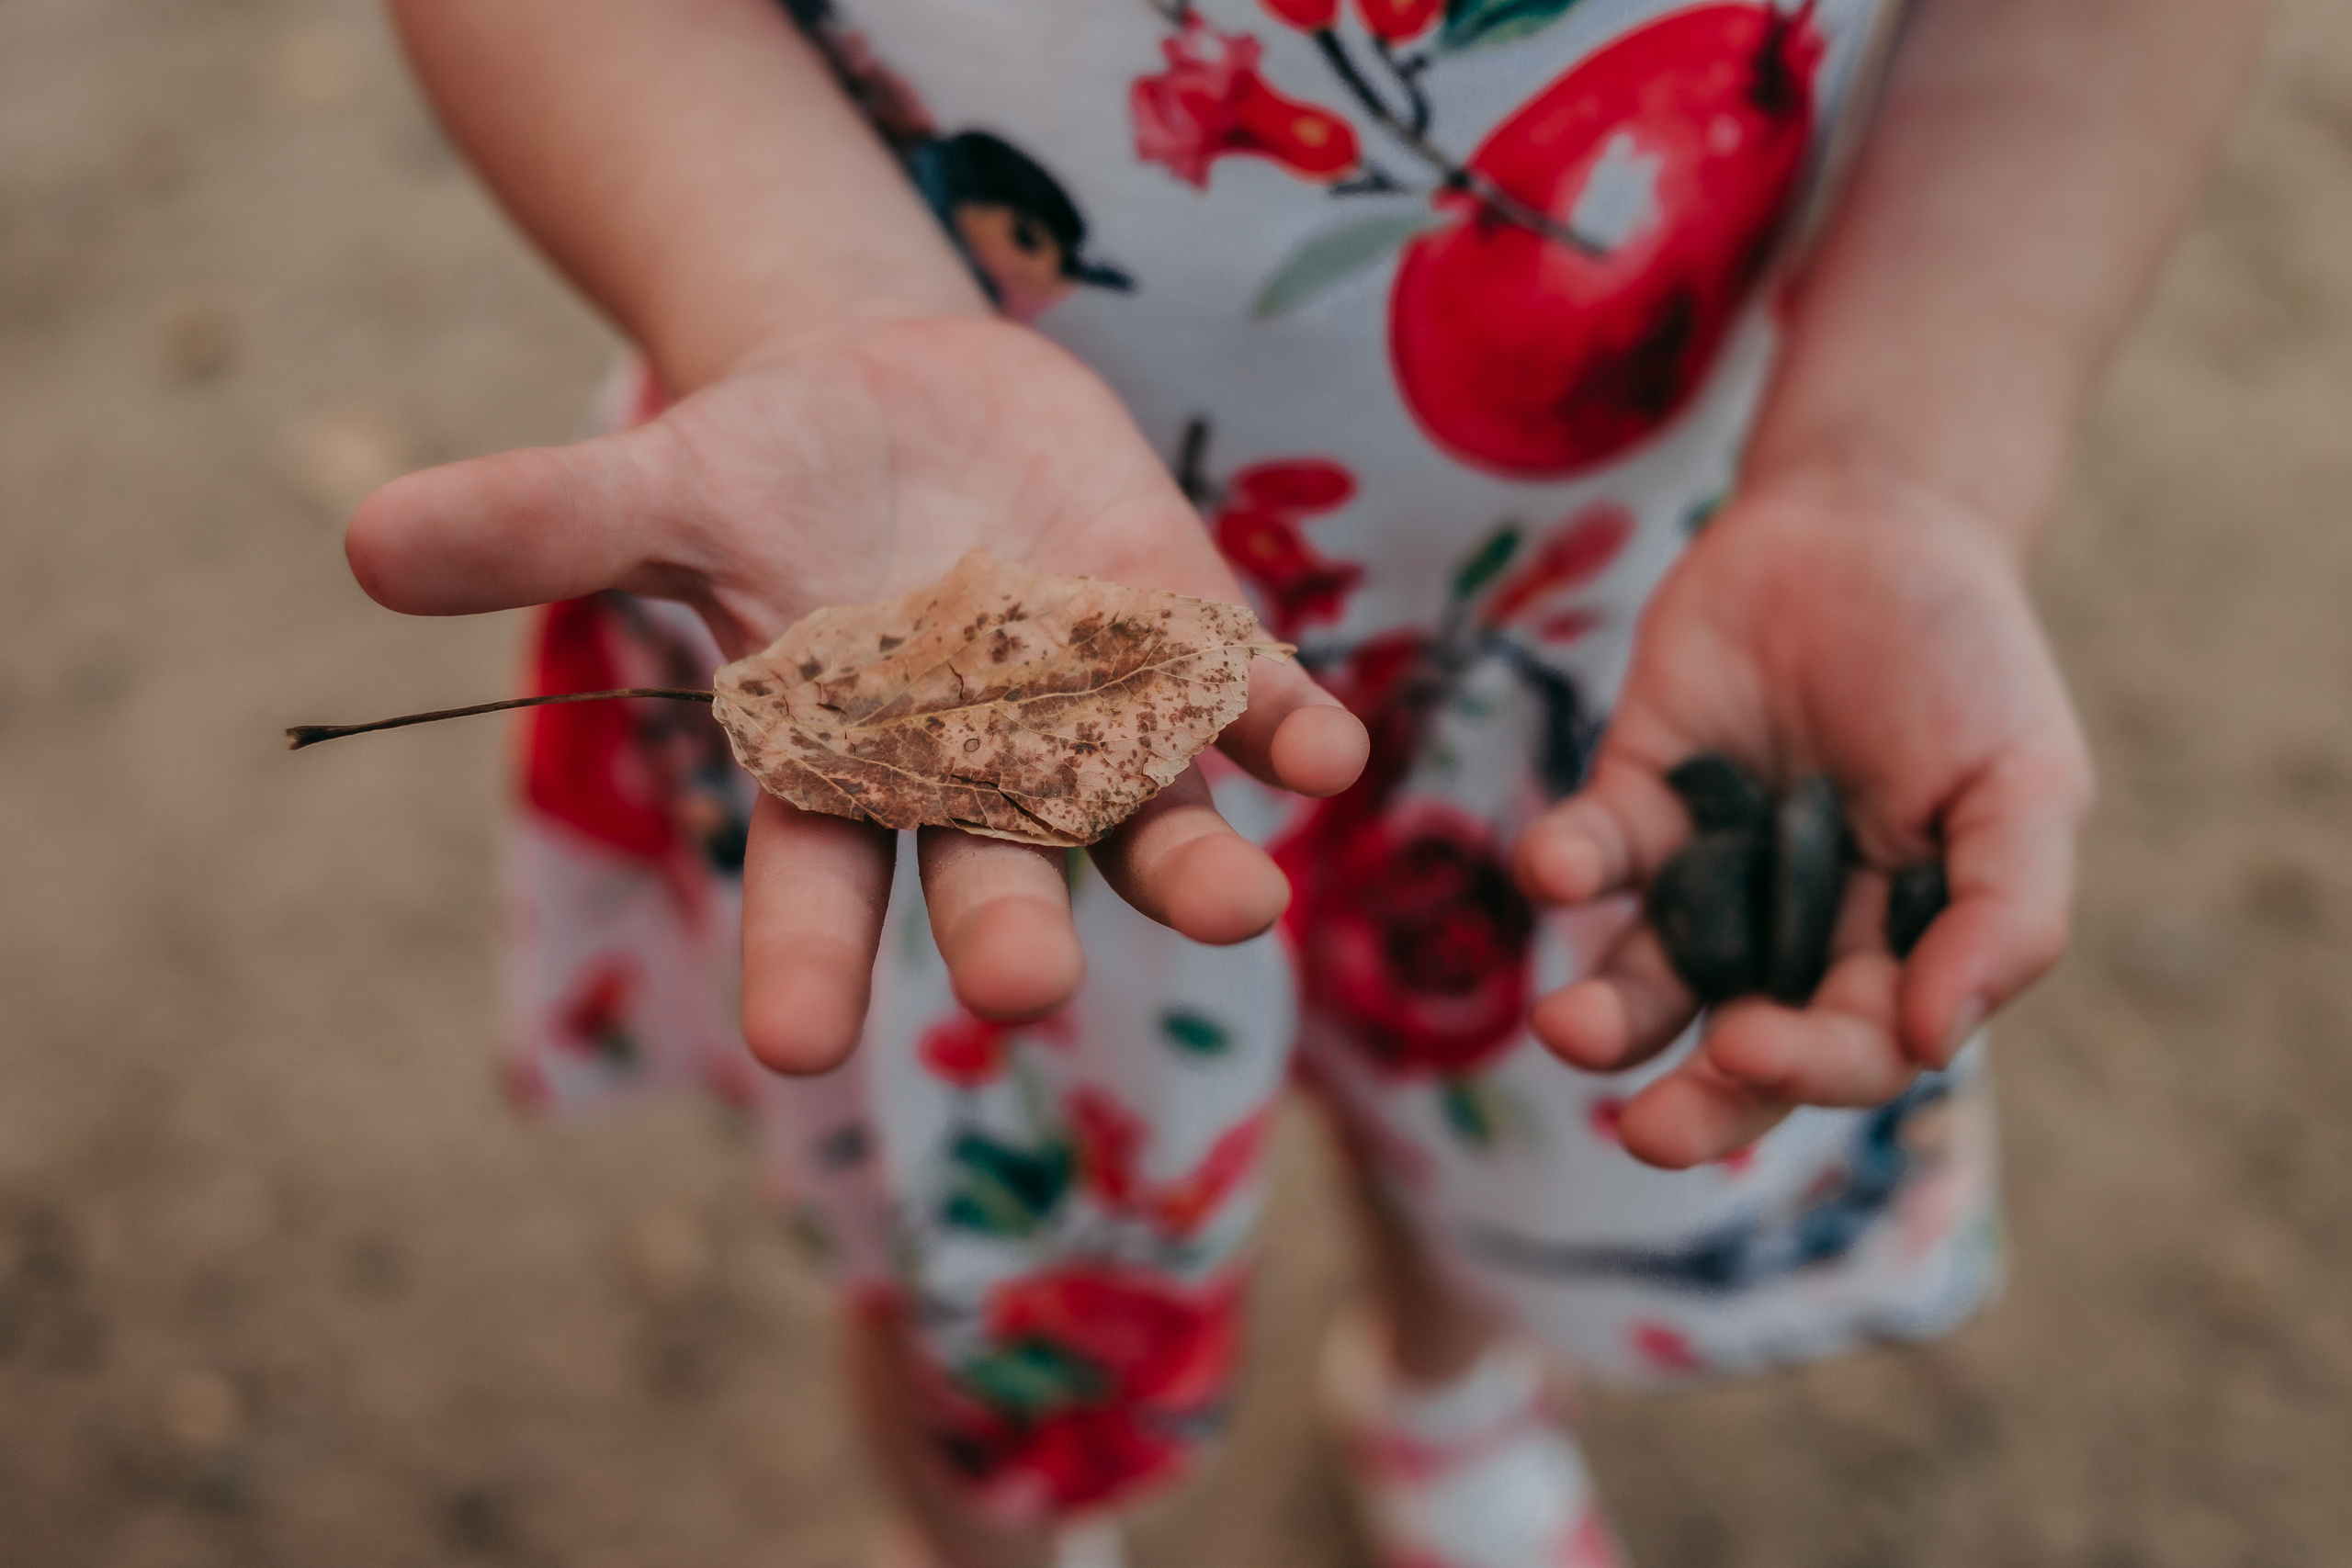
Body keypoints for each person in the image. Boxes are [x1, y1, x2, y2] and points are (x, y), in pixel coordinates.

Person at [348, 1, 2267, 1563]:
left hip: (1617, 591)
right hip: (896, 488)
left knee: (1511, 1074)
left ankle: (1445, 1382)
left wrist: (1901, 466)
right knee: (1008, 1265)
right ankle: (1003, 1530)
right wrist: (795, 304)